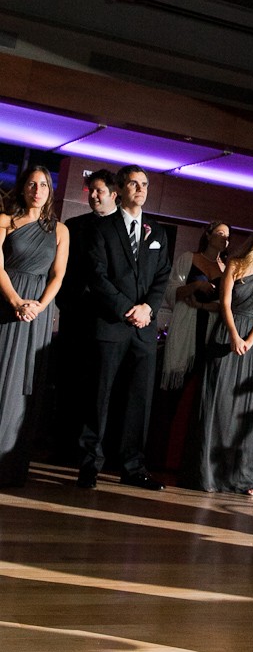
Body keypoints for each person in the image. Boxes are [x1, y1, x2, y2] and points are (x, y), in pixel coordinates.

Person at [77, 164, 171, 490]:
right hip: (111, 324)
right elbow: (97, 276)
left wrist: (147, 308)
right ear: (120, 189)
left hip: (144, 328)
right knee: (99, 398)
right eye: (134, 183)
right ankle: (89, 465)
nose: (141, 189)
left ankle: (133, 467)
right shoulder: (103, 229)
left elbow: (162, 277)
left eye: (144, 184)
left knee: (138, 401)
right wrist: (125, 309)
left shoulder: (157, 233)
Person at [191, 223, 253, 496]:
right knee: (218, 405)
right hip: (226, 337)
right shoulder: (235, 265)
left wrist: (250, 341)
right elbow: (225, 305)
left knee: (248, 411)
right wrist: (234, 335)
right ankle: (209, 474)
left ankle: (243, 477)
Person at [0, 165, 69, 485]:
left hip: (38, 313)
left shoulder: (60, 231)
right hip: (5, 305)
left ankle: (10, 463)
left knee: (24, 387)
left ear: (49, 192)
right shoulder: (5, 222)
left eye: (43, 184)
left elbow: (58, 275)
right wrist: (15, 301)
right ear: (23, 188)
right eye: (31, 183)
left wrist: (40, 305)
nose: (37, 189)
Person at [52, 168, 118, 465]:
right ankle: (63, 446)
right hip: (76, 315)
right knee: (68, 382)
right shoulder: (75, 226)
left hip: (108, 320)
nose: (93, 196)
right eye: (90, 190)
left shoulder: (123, 228)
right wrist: (67, 302)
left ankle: (92, 452)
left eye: (99, 191)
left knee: (100, 389)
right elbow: (63, 271)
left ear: (113, 194)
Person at [161, 220, 229, 391]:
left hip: (211, 326)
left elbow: (224, 305)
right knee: (180, 377)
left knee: (200, 379)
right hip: (186, 322)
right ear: (208, 235)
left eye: (227, 237)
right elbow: (171, 291)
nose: (224, 239)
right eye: (220, 234)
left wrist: (201, 305)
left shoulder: (226, 269)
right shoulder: (189, 258)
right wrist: (196, 286)